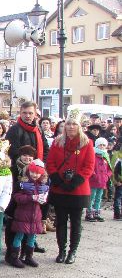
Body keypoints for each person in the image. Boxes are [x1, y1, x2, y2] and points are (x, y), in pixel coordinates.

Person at [47, 111, 95, 265]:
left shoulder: (87, 143)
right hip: (60, 187)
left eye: (74, 123)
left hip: (78, 189)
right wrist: (58, 180)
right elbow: (51, 163)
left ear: (79, 126)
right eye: (68, 123)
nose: (71, 126)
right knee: (60, 222)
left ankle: (72, 251)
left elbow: (89, 166)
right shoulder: (57, 142)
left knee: (76, 223)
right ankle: (61, 251)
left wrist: (75, 182)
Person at [9, 159, 49, 268]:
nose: (35, 175)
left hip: (35, 215)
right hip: (23, 214)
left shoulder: (42, 185)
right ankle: (14, 257)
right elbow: (17, 197)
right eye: (33, 172)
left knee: (32, 236)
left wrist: (43, 199)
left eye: (37, 173)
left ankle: (29, 257)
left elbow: (44, 201)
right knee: (19, 235)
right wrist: (31, 197)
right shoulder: (24, 184)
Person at [86, 138, 112, 222]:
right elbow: (90, 166)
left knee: (99, 198)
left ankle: (96, 212)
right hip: (93, 181)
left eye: (104, 145)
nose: (102, 147)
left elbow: (109, 168)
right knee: (91, 197)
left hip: (102, 181)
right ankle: (89, 212)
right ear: (97, 145)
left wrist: (107, 176)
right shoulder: (92, 155)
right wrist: (93, 175)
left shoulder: (105, 156)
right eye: (100, 145)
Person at [112, 140, 122, 220]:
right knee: (118, 198)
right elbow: (114, 170)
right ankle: (117, 214)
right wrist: (116, 181)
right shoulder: (117, 155)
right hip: (120, 181)